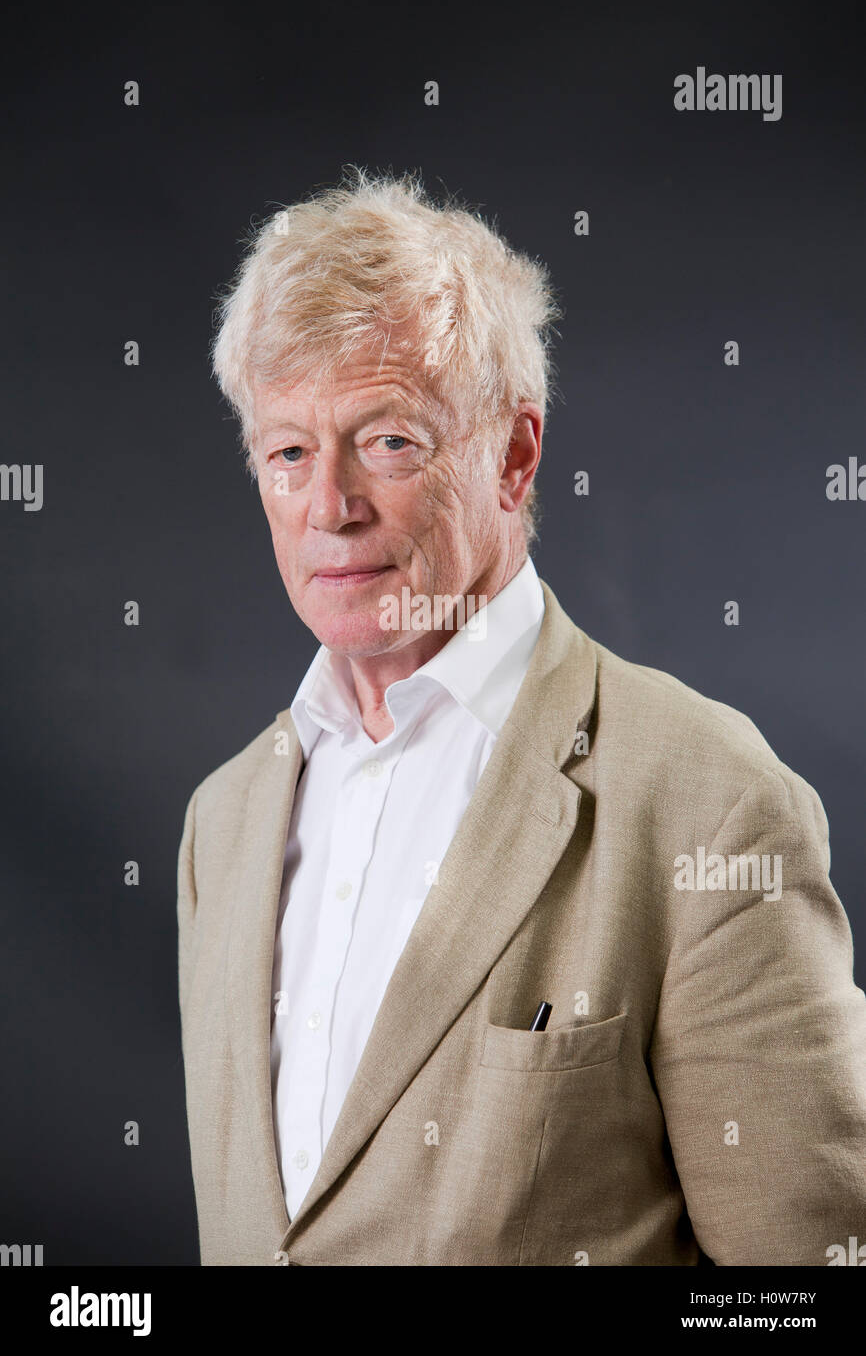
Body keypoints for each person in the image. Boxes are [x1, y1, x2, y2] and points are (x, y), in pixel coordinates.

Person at [177, 167, 866, 1265]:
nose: (330, 507)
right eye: (288, 452)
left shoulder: (710, 802)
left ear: (512, 454)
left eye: (388, 440)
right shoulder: (223, 823)